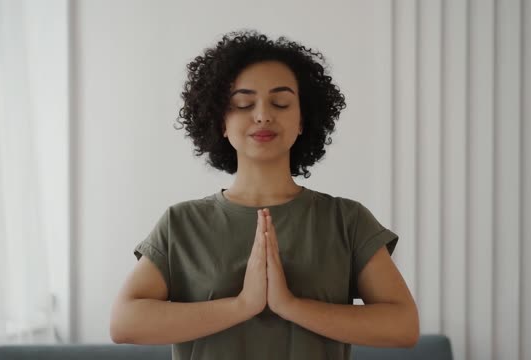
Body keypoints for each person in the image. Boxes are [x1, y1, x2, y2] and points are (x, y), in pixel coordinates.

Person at [110, 29, 419, 360]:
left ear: (303, 119)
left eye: (280, 102)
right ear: (221, 123)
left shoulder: (346, 220)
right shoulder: (181, 223)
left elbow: (402, 326)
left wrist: (290, 305)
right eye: (243, 103)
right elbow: (124, 323)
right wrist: (243, 305)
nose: (262, 115)